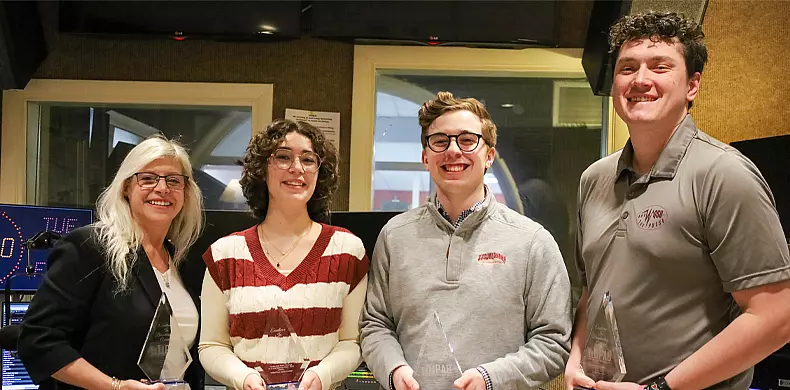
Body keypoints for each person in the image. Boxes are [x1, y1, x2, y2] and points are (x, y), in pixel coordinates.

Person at [566, 11, 790, 390]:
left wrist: (662, 389)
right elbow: (593, 289)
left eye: (660, 66)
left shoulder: (724, 174)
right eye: (627, 67)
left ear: (692, 85)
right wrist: (576, 361)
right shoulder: (594, 179)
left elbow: (777, 317)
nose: (640, 79)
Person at [360, 91, 572, 390]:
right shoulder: (394, 236)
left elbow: (554, 343)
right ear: (425, 156)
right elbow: (375, 325)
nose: (453, 151)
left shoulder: (533, 242)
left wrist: (491, 378)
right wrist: (393, 371)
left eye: (467, 140)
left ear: (489, 156)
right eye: (440, 141)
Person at [18, 136, 206, 390]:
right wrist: (114, 386)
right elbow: (39, 340)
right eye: (148, 178)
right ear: (126, 188)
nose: (162, 188)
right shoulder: (89, 247)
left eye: (174, 180)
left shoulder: (182, 262)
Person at [199, 119, 369, 390]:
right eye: (283, 157)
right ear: (261, 170)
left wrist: (322, 375)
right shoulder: (225, 255)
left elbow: (352, 342)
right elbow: (212, 346)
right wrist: (244, 378)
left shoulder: (347, 250)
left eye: (309, 159)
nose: (297, 168)